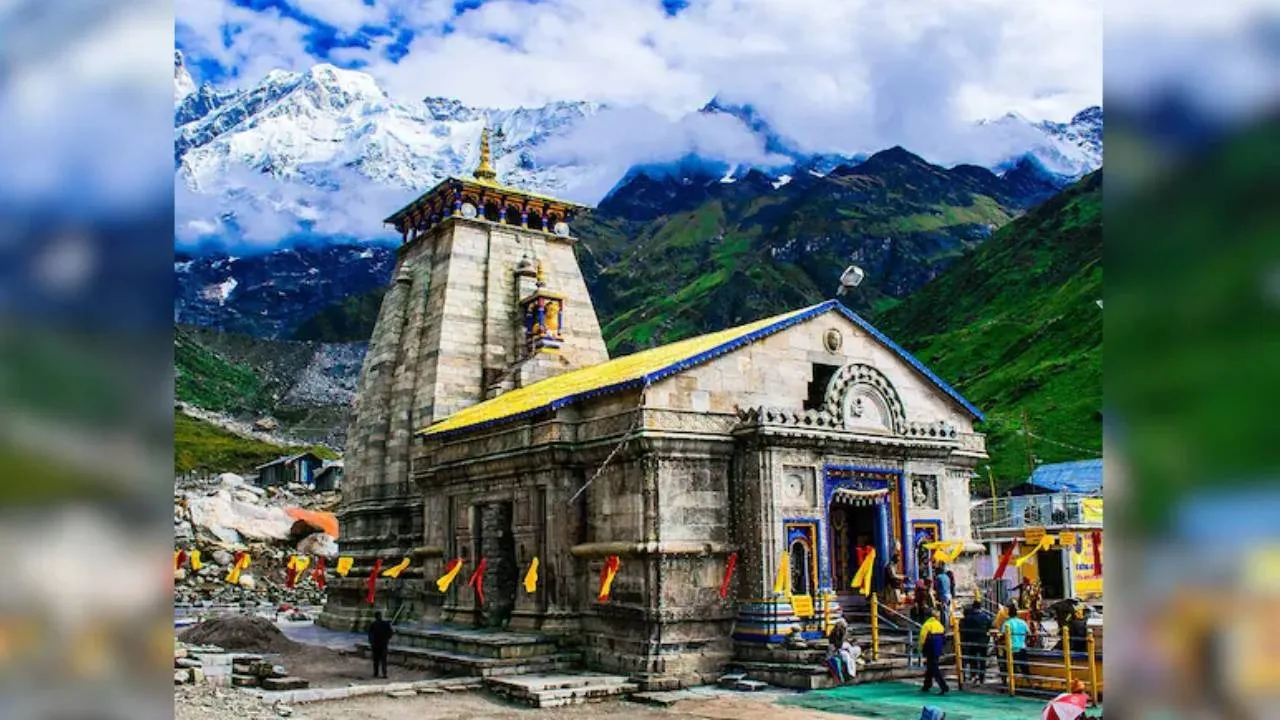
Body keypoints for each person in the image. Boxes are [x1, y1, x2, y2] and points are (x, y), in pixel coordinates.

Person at [959, 599, 994, 684]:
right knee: (982, 660)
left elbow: (963, 628)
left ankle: (973, 674)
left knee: (972, 659)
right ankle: (982, 677)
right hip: (983, 641)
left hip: (971, 641)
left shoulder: (968, 617)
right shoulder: (985, 616)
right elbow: (990, 626)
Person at [918, 607, 949, 695]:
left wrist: (920, 649)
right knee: (930, 666)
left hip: (930, 648)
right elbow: (944, 637)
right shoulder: (939, 624)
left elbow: (922, 638)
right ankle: (926, 685)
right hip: (937, 648)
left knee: (934, 668)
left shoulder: (926, 625)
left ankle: (944, 687)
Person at [1001, 602, 1031, 681]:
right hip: (1021, 647)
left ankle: (1005, 683)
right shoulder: (1023, 622)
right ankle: (1030, 683)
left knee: (1006, 667)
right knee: (1024, 667)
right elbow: (1029, 634)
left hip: (1010, 649)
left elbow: (1003, 636)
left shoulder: (1007, 623)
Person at [367, 611, 393, 679]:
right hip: (383, 644)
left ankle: (376, 673)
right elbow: (390, 633)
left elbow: (370, 635)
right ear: (381, 616)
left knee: (376, 660)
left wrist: (371, 642)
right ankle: (384, 674)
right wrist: (386, 639)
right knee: (384, 660)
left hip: (375, 645)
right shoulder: (386, 624)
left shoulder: (373, 624)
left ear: (375, 617)